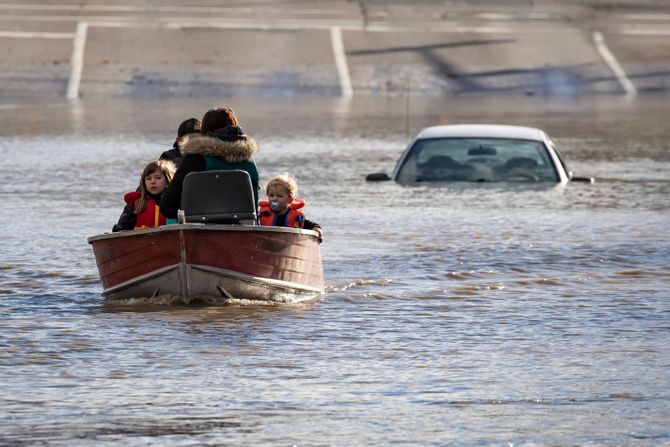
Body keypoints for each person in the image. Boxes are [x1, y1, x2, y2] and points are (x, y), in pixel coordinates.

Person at [159, 107, 259, 219]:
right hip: (244, 228)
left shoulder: (196, 158)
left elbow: (168, 208)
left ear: (205, 130)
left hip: (203, 229)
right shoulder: (250, 160)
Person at [112, 159, 176, 232]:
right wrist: (130, 208)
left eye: (158, 178)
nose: (153, 181)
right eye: (148, 179)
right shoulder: (136, 202)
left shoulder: (174, 202)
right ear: (144, 183)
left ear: (168, 181)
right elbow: (121, 229)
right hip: (141, 241)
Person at [258, 173, 323, 241]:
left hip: (289, 244)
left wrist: (316, 228)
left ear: (290, 199)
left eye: (280, 196)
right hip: (267, 243)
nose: (274, 199)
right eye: (271, 195)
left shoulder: (296, 216)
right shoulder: (262, 214)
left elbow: (310, 224)